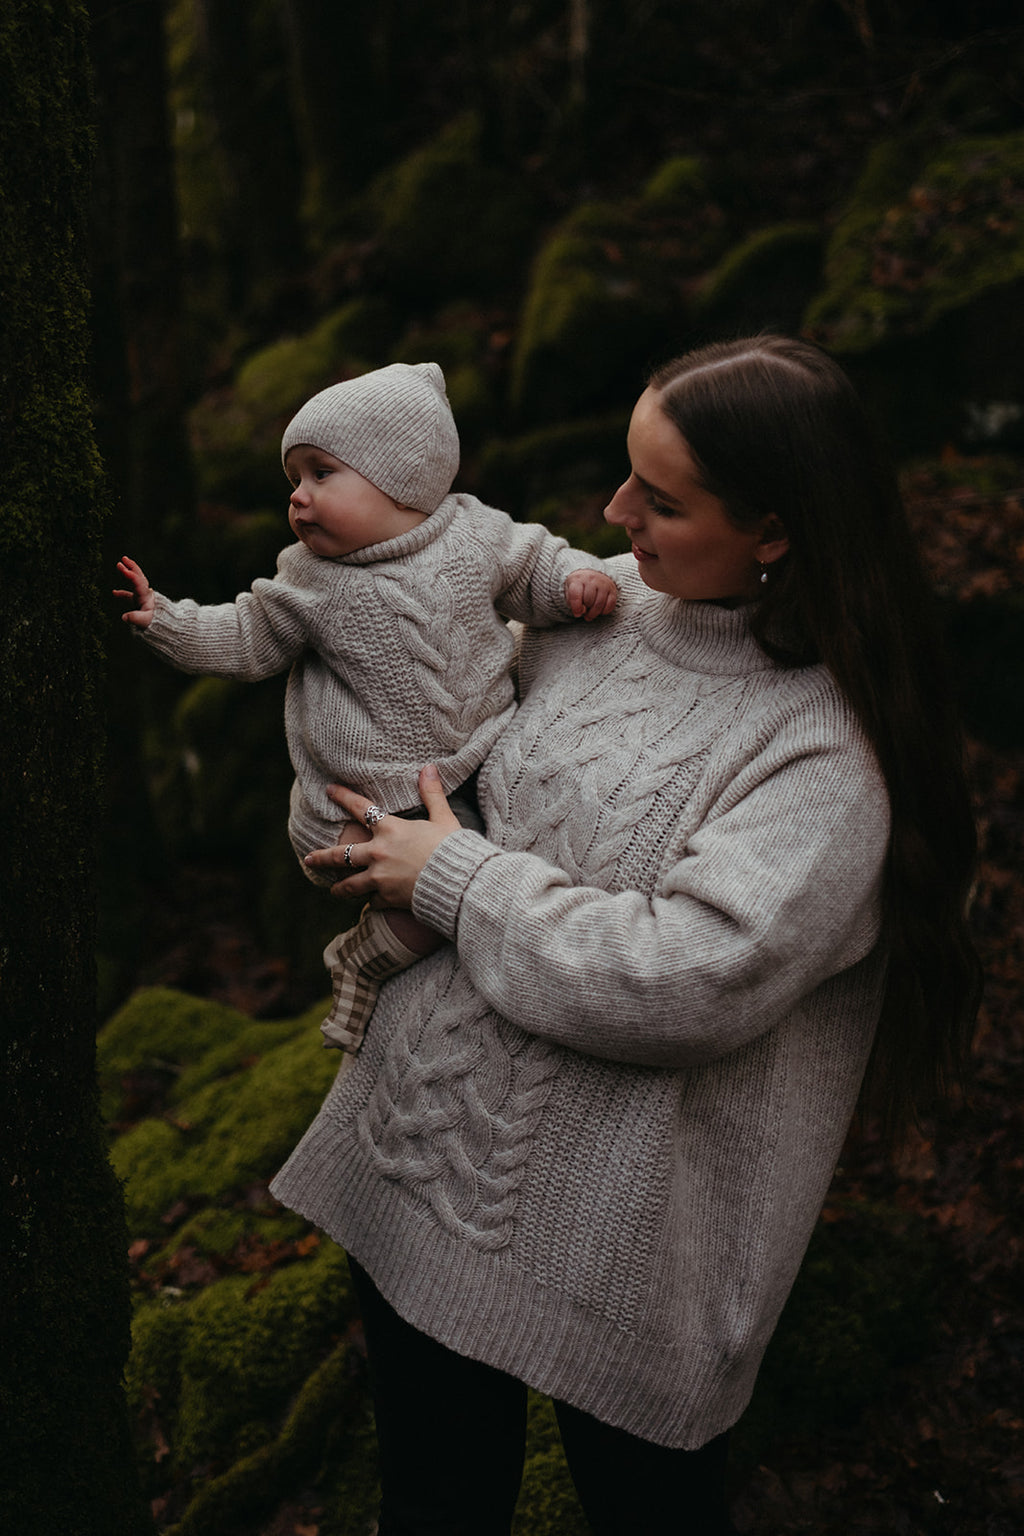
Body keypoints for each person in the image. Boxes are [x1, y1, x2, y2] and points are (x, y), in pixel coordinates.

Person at [268, 335, 981, 1536]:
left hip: (624, 1252)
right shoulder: (598, 611)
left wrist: (453, 881)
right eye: (623, 478)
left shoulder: (823, 759)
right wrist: (356, 807)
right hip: (429, 1157)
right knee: (433, 1503)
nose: (612, 514)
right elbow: (440, 749)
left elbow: (684, 979)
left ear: (774, 531)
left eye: (659, 499)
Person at [115, 362, 617, 1051]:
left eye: (321, 473)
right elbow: (245, 637)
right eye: (294, 479)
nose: (298, 497)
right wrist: (165, 619)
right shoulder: (309, 578)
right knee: (420, 910)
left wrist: (575, 581)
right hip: (363, 800)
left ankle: (421, 975)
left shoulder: (475, 534)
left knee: (490, 877)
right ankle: (358, 967)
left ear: (403, 477)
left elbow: (534, 566)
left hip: (478, 758)